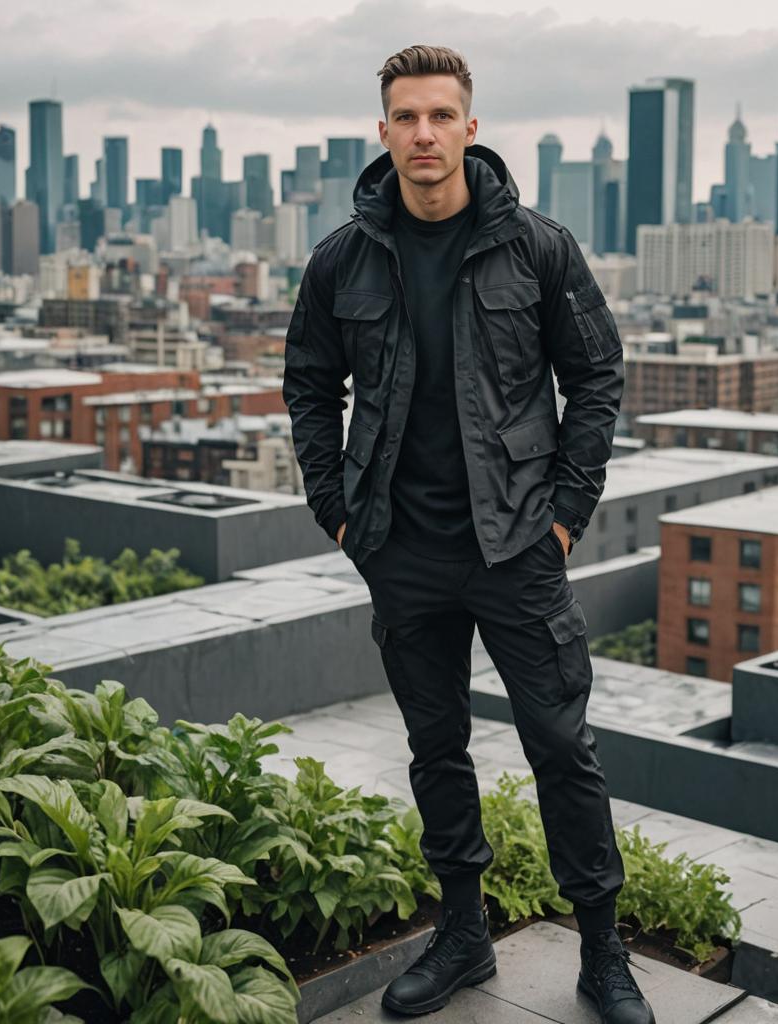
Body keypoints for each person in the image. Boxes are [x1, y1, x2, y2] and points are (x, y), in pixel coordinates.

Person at [282, 43, 654, 1024]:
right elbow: (310, 385)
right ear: (384, 133)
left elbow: (597, 374)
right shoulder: (341, 259)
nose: (423, 134)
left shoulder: (537, 246)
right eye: (405, 118)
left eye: (440, 116)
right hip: (401, 545)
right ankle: (462, 936)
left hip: (519, 543)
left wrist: (568, 513)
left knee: (560, 746)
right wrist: (338, 509)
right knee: (435, 746)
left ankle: (603, 953)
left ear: (469, 128)